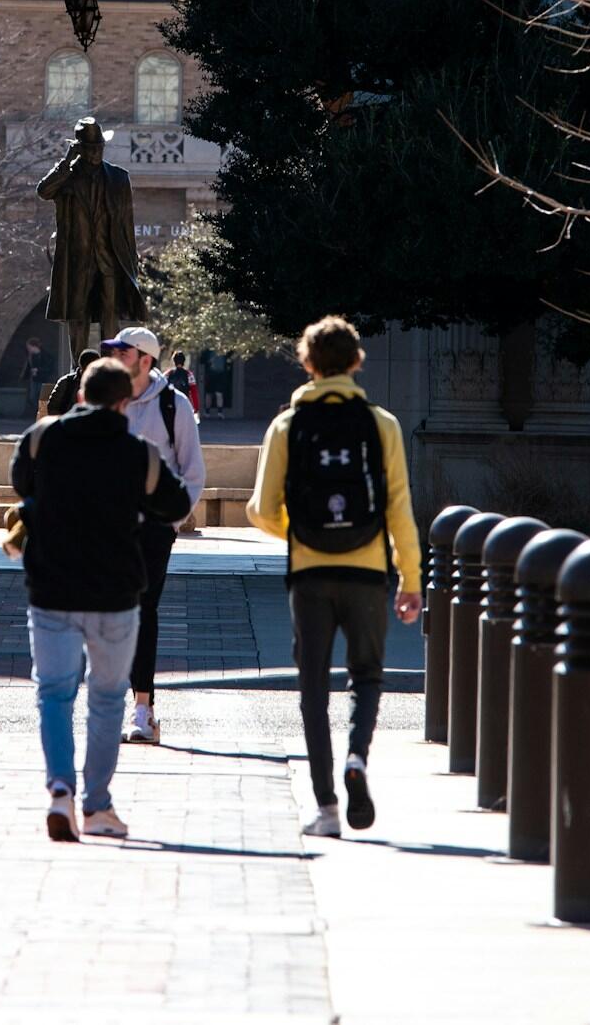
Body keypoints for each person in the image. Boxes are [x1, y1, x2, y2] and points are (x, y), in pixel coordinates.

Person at [248, 315, 423, 838]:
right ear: (355, 363)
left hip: (309, 573)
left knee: (312, 688)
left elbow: (260, 509)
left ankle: (325, 808)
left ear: (307, 363)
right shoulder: (381, 423)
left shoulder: (286, 424)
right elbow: (398, 507)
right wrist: (409, 577)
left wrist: (300, 535)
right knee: (366, 674)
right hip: (368, 571)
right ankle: (357, 757)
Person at [7, 358, 191, 841]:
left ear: (81, 395)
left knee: (53, 694)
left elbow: (21, 483)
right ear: (125, 401)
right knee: (108, 700)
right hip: (114, 592)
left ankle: (60, 791)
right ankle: (98, 806)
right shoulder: (141, 453)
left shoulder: (42, 438)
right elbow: (174, 505)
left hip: (52, 588)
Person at [95, 328, 205, 747]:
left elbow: (193, 472)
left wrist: (170, 522)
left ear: (144, 359)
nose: (113, 357)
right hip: (111, 527)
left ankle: (142, 708)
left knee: (142, 608)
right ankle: (115, 699)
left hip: (154, 528)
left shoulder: (172, 405)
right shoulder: (107, 401)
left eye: (121, 352)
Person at [20, 336, 52, 416]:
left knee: (41, 397)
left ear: (34, 346)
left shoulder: (45, 355)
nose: (29, 349)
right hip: (34, 380)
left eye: (30, 347)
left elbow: (49, 367)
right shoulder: (31, 356)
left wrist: (38, 370)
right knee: (32, 397)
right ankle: (37, 412)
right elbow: (28, 367)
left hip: (42, 379)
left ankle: (42, 412)